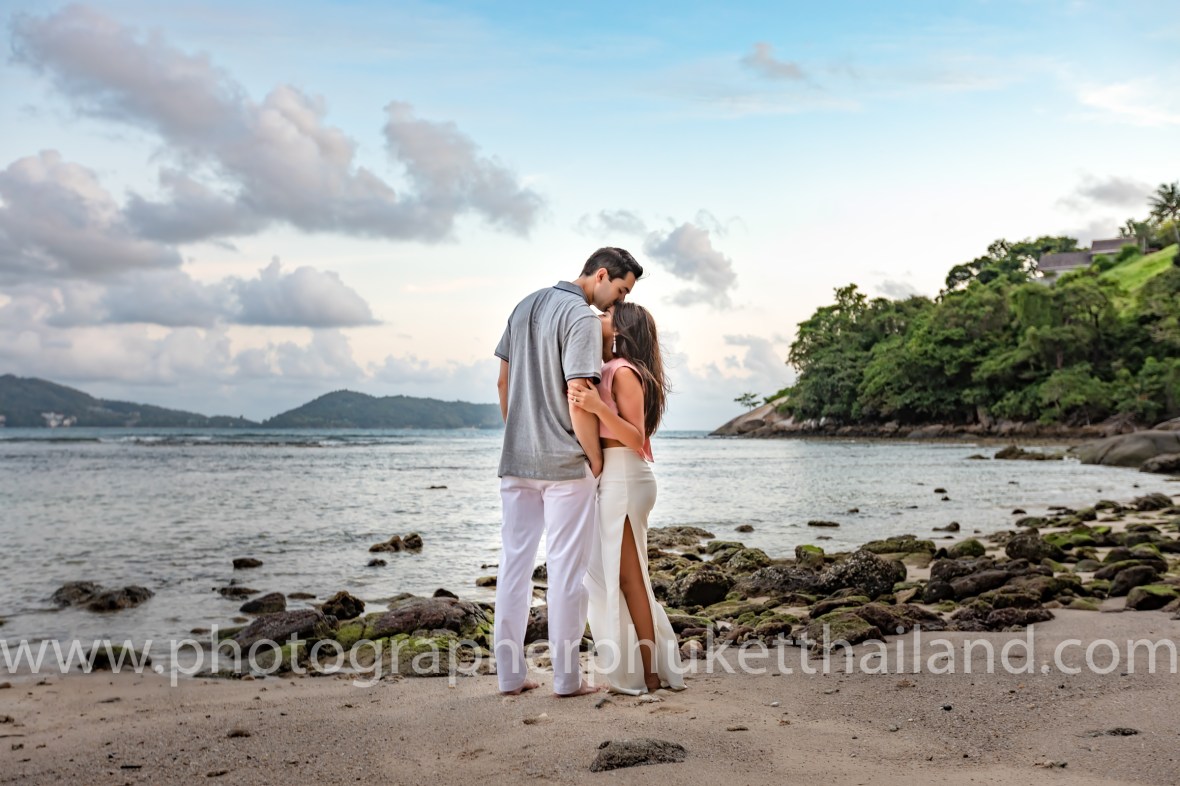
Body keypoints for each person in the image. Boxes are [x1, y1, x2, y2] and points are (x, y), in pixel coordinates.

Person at [493, 247, 643, 697]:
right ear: (600, 274)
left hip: (517, 461)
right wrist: (593, 458)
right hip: (565, 465)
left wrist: (520, 435)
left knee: (513, 566)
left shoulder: (523, 306)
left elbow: (503, 382)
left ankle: (509, 676)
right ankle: (566, 679)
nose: (613, 304)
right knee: (565, 570)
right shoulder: (579, 317)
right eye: (618, 290)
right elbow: (579, 390)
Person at [569, 301, 686, 695]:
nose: (598, 317)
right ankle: (650, 668)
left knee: (630, 579)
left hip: (625, 475)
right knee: (619, 577)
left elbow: (636, 437)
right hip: (618, 477)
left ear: (621, 329)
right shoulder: (611, 367)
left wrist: (598, 407)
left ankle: (651, 675)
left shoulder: (623, 373)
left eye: (606, 316)